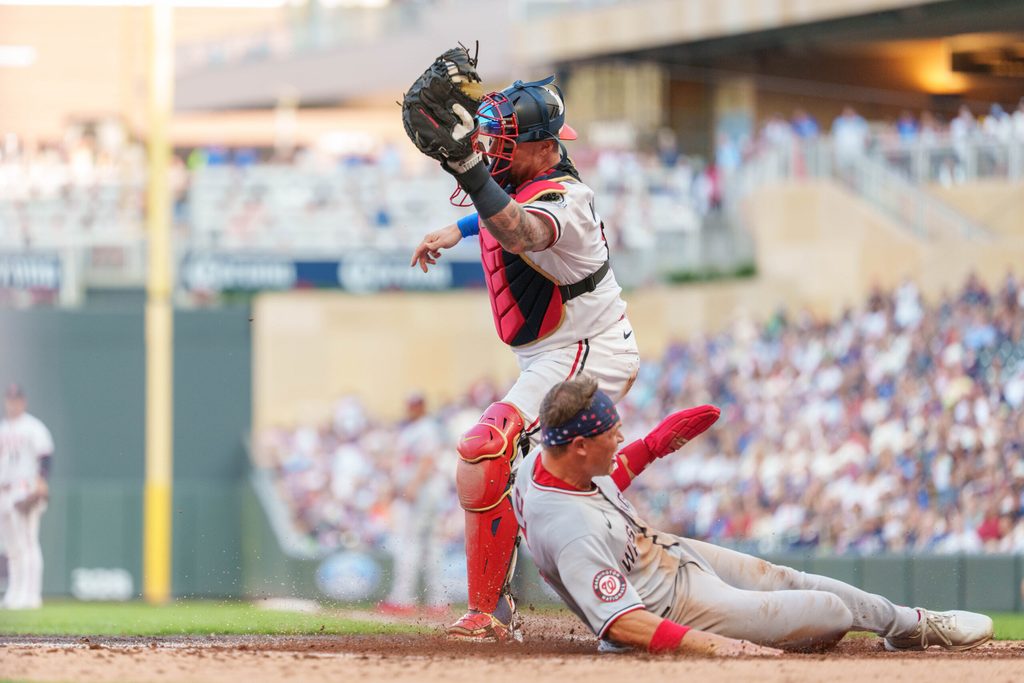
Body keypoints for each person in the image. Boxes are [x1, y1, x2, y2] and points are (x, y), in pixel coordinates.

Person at [407, 59, 640, 642]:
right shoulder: (520, 183)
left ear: (542, 147)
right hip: (555, 354)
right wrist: (453, 230)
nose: (487, 148)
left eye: (501, 140)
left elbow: (521, 231)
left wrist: (464, 166)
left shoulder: (567, 198)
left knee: (488, 447)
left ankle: (488, 617)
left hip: (589, 351)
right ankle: (623, 593)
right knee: (540, 487)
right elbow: (498, 212)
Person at [511, 374, 994, 655]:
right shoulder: (568, 530)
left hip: (655, 552)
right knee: (832, 613)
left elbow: (594, 484)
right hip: (671, 608)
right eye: (610, 433)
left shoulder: (545, 460)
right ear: (577, 446)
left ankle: (913, 625)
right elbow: (619, 623)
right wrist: (722, 648)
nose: (620, 438)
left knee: (783, 574)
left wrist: (652, 449)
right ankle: (763, 633)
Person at [377, 394, 450, 616]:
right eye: (410, 404)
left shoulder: (426, 428)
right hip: (421, 492)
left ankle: (403, 599)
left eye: (416, 404)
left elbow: (428, 459)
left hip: (423, 493)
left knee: (410, 544)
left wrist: (413, 485)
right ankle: (437, 601)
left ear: (422, 406)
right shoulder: (411, 430)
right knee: (430, 547)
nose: (412, 408)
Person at [0, 383, 54, 610]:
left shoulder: (33, 427)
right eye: (10, 399)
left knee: (28, 543)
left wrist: (40, 483)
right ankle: (14, 593)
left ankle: (31, 595)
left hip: (25, 488)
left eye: (17, 399)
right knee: (11, 547)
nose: (13, 403)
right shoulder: (3, 428)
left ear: (24, 401)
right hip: (4, 490)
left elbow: (46, 456)